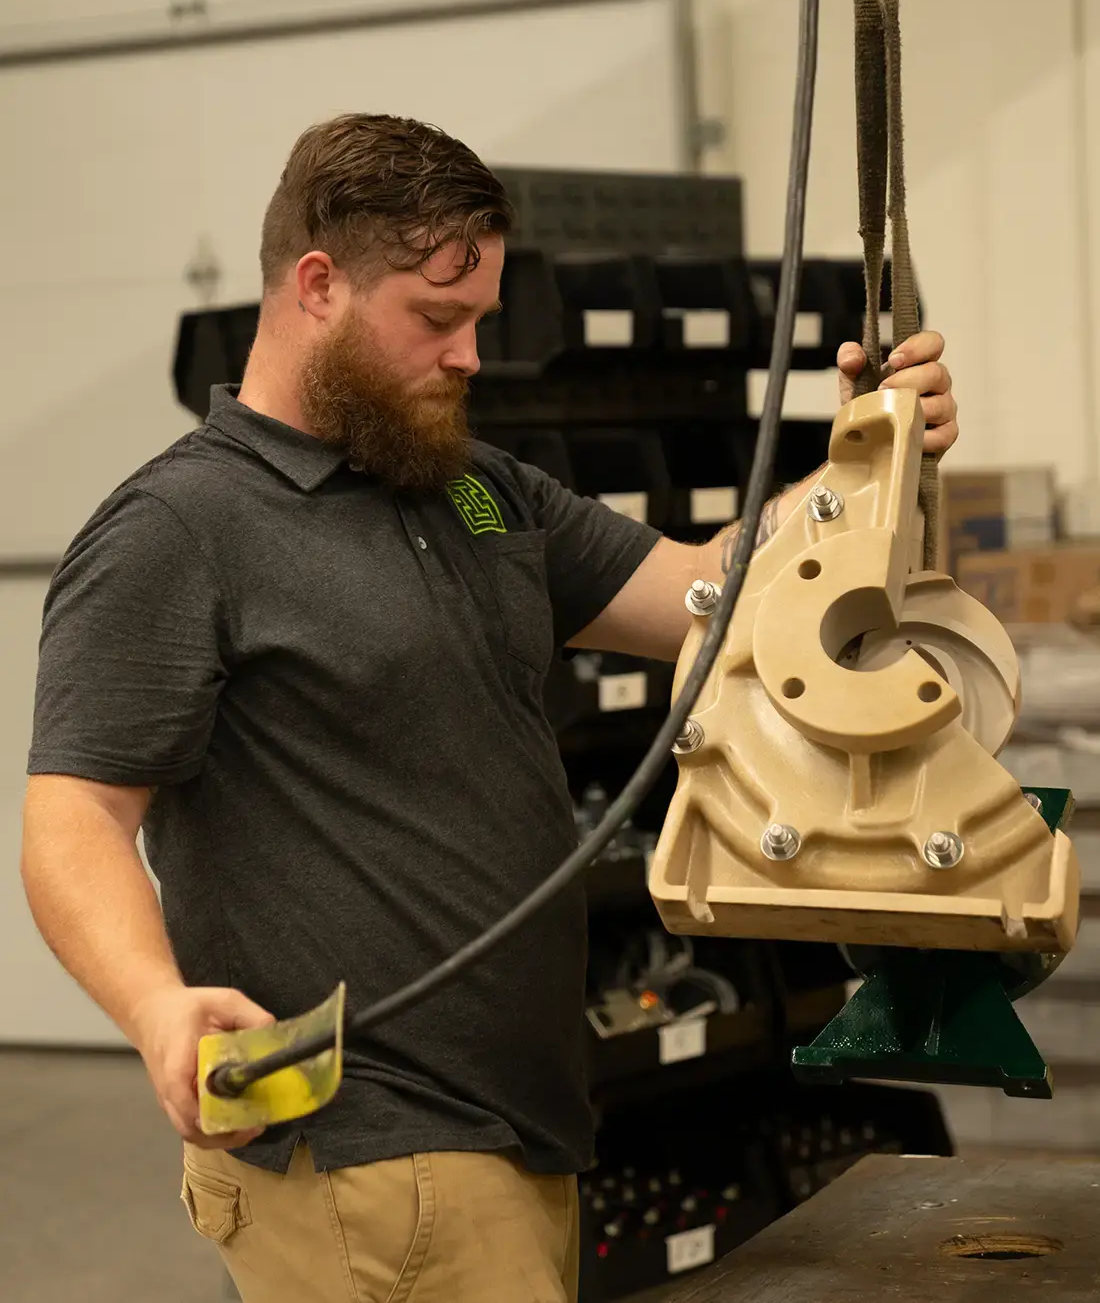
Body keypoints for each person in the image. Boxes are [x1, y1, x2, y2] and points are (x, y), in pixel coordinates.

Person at [20, 113, 958, 1303]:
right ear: (318, 285)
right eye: (436, 317)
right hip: (362, 1147)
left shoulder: (469, 490)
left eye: (480, 320)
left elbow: (703, 593)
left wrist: (864, 471)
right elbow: (72, 821)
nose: (469, 355)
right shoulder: (179, 530)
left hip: (519, 1125)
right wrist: (156, 1005)